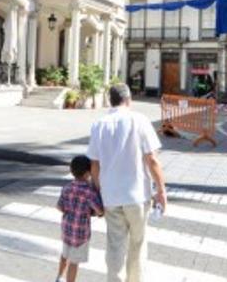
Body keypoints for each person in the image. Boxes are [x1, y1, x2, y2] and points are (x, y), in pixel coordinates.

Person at [87, 84, 167, 282]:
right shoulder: (140, 120)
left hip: (111, 197)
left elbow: (94, 165)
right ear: (129, 100)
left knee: (115, 246)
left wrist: (97, 190)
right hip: (137, 195)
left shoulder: (99, 124)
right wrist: (161, 191)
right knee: (138, 244)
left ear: (110, 101)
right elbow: (152, 159)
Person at [56, 155, 104, 282]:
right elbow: (99, 210)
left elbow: (59, 207)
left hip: (67, 229)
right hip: (80, 235)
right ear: (88, 173)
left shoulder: (66, 188)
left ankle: (59, 277)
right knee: (74, 262)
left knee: (65, 255)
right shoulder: (89, 191)